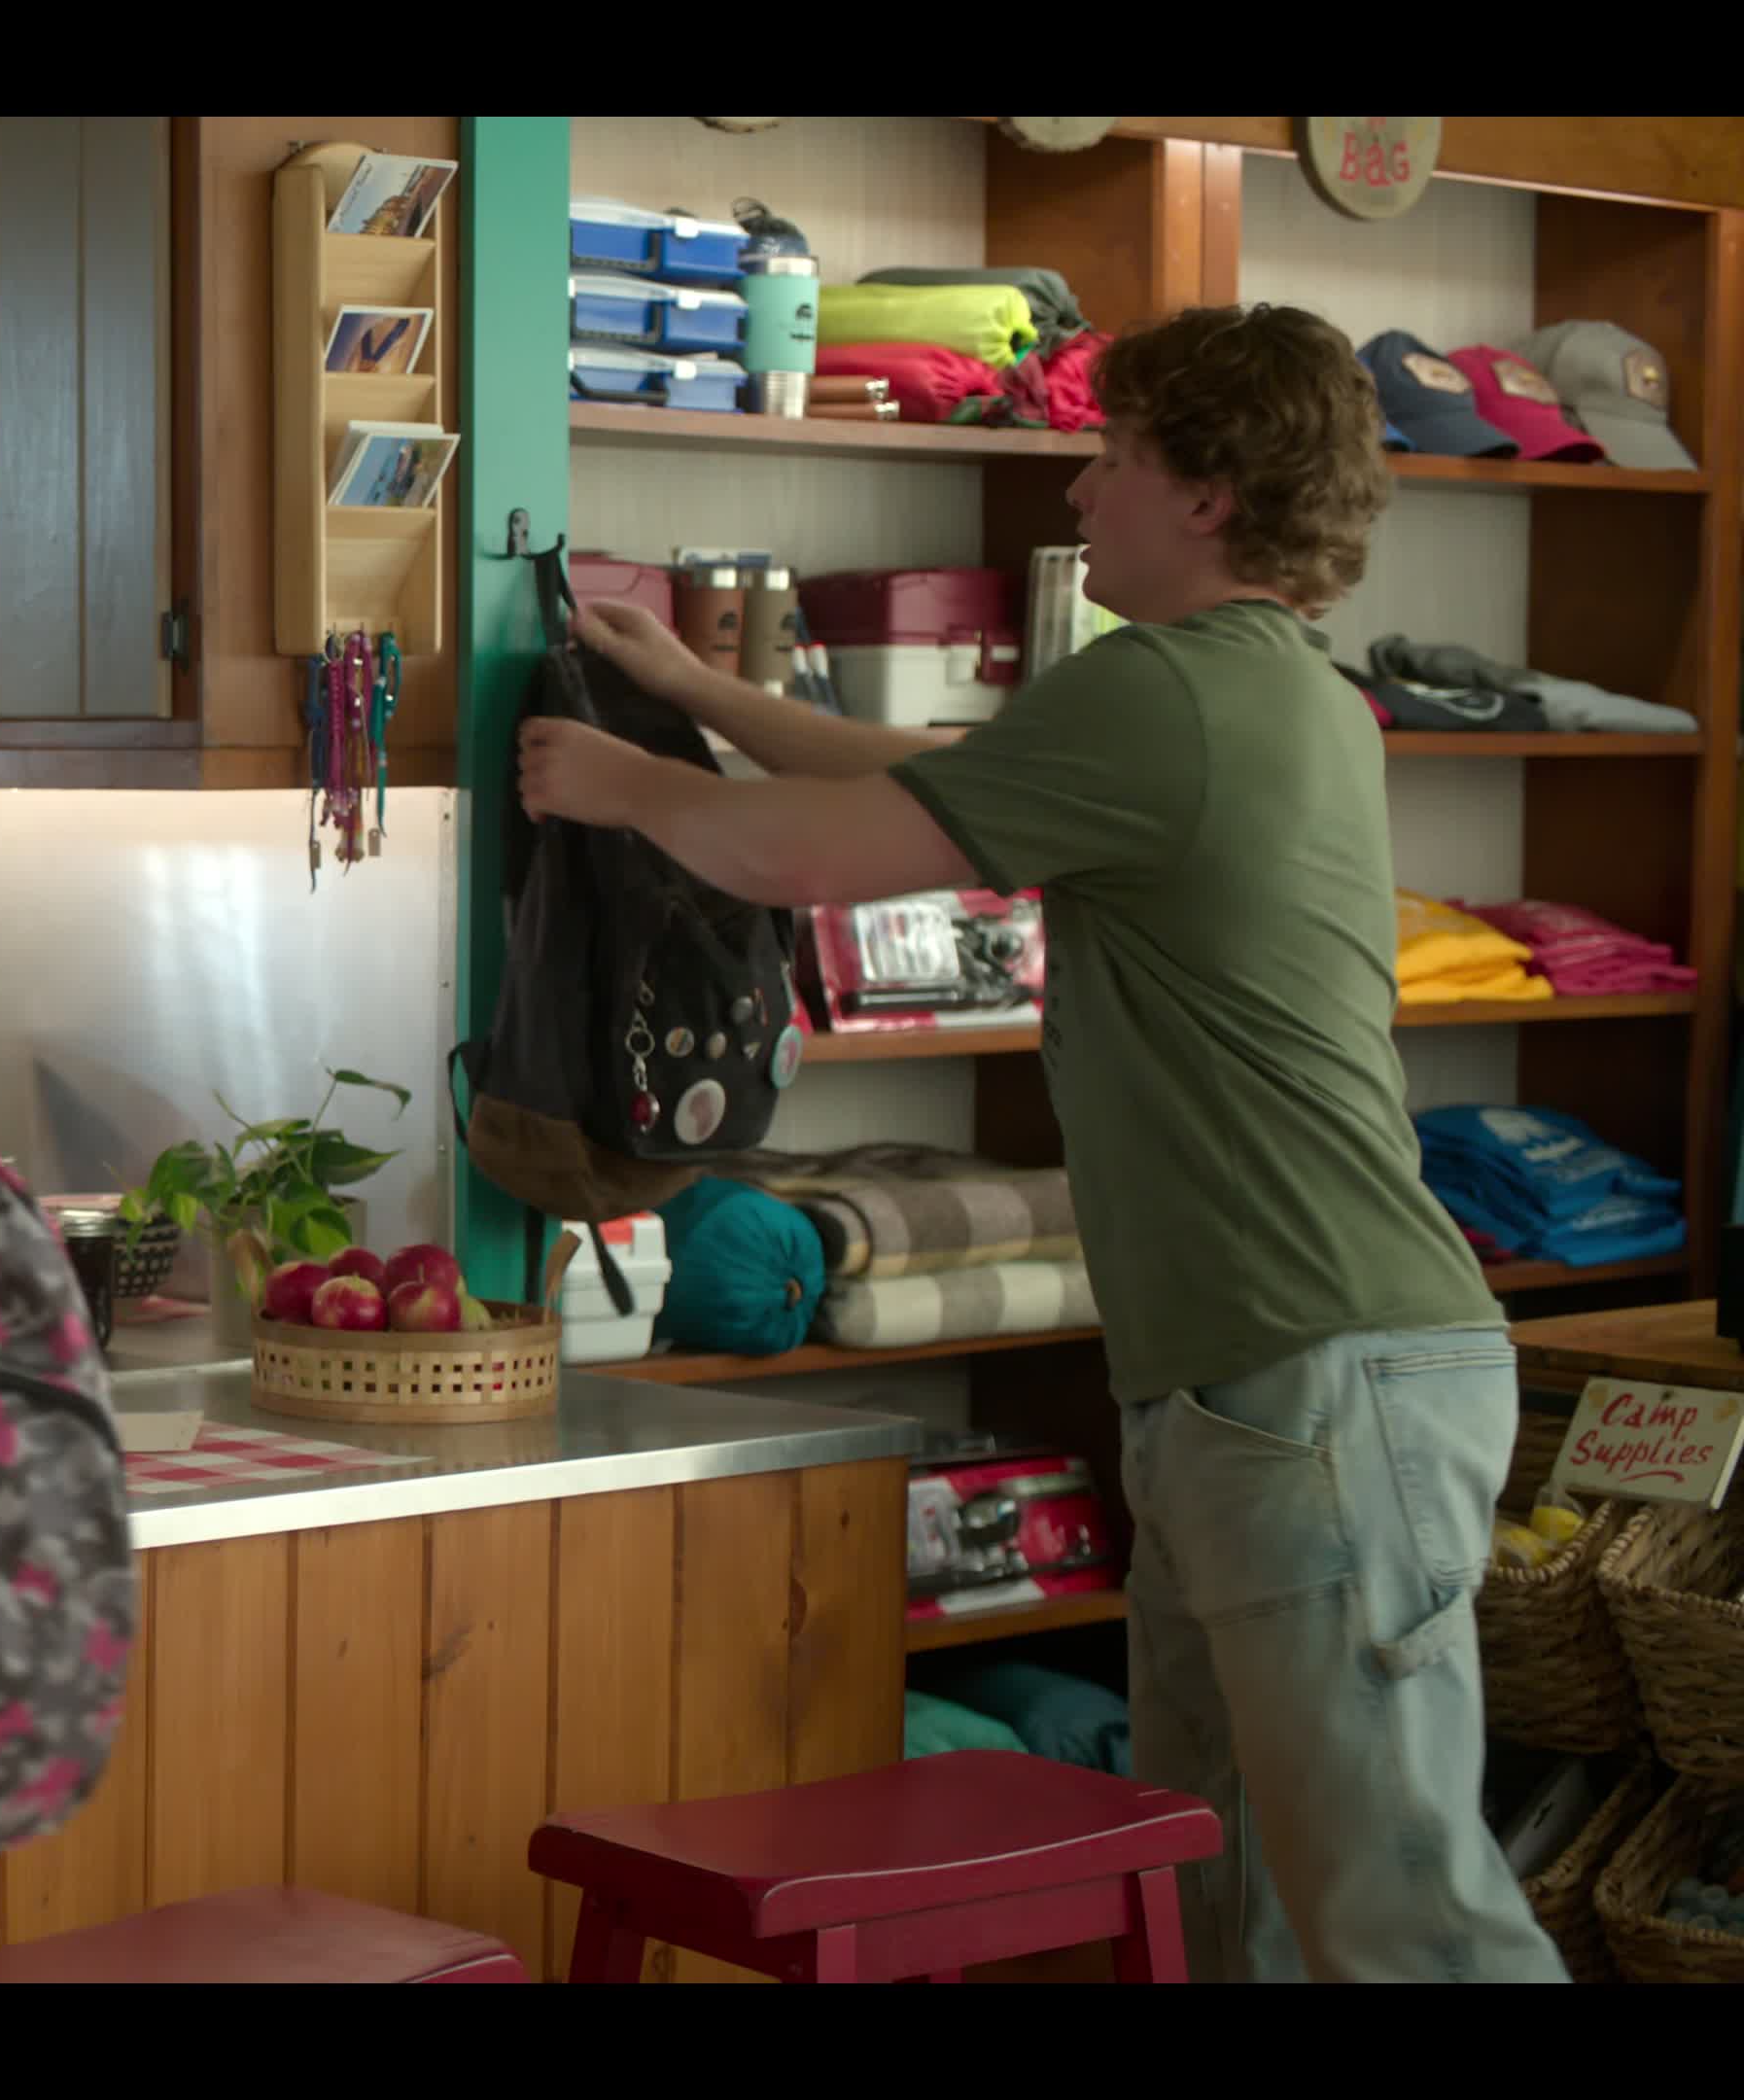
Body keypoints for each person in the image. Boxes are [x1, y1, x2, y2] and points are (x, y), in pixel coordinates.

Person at [515, 303, 1564, 1985]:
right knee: (1237, 1904)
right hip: (1268, 1377)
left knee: (1403, 1920)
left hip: (1313, 1375)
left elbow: (812, 859)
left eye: (1115, 457)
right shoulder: (1261, 690)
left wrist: (626, 788)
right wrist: (698, 695)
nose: (1079, 494)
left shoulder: (1167, 687)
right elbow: (930, 774)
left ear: (1209, 493)